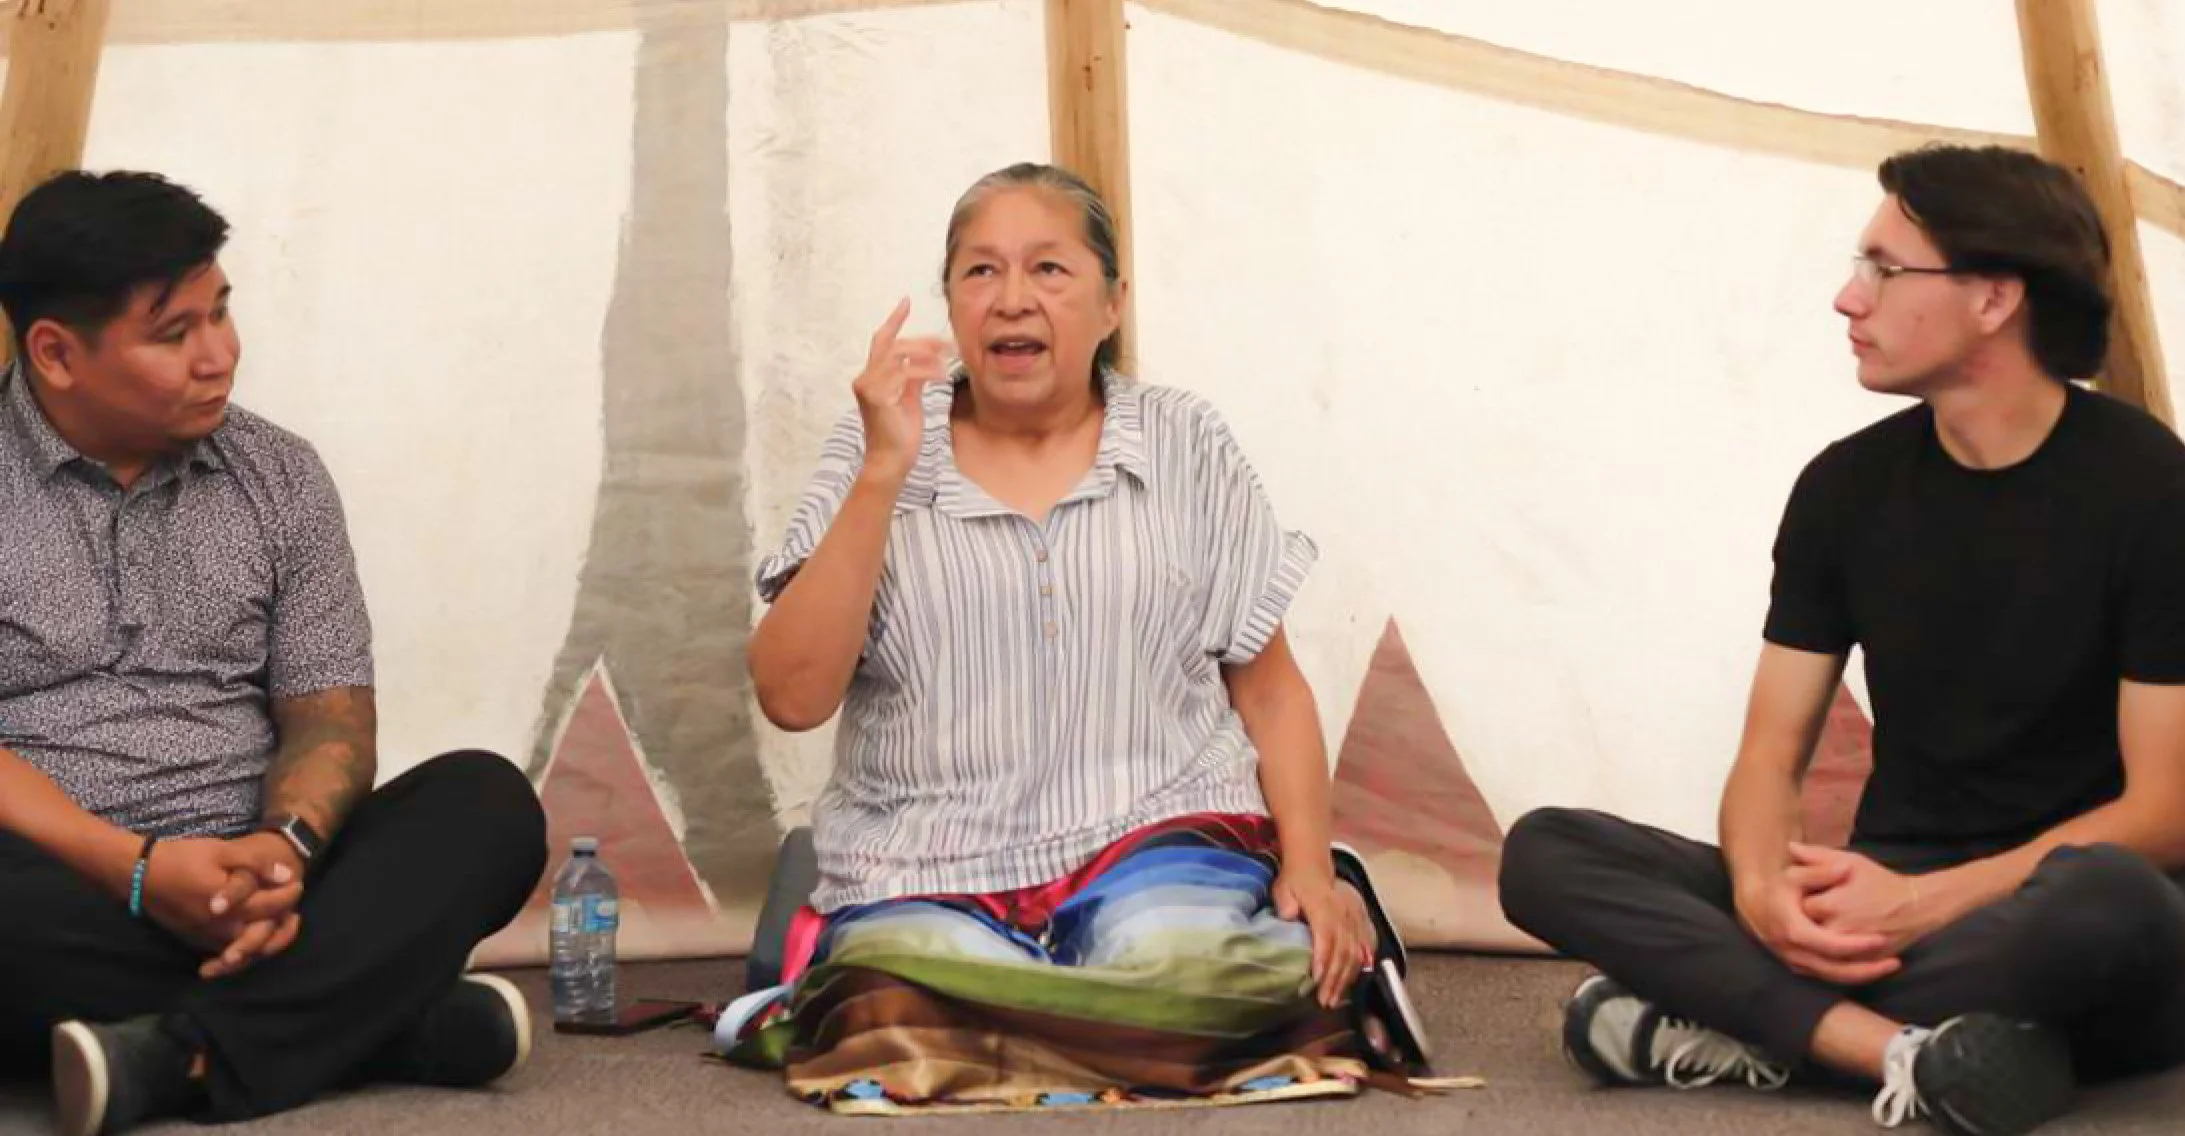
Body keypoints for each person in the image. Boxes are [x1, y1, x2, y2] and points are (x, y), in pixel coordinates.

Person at [1498, 143, 2185, 1136]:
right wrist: (1760, 890)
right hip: (1874, 890)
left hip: (2047, 909)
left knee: (2115, 903)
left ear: (1993, 297)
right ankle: (1894, 1050)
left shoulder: (2150, 489)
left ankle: (1741, 1017)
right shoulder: (1843, 488)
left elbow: (2163, 812)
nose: (1845, 298)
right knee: (1546, 849)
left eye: (1883, 269)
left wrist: (1924, 905)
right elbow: (1766, 759)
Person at [729, 162, 1424, 1112]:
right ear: (951, 302)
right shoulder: (877, 442)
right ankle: (1125, 1024)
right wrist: (884, 471)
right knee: (888, 1006)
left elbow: (1267, 689)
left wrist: (1308, 867)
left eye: (1048, 269)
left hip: (1151, 838)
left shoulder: (1182, 439)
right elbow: (791, 696)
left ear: (1111, 305)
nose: (1012, 298)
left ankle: (972, 1024)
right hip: (926, 857)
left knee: (1197, 978)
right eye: (980, 271)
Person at [0, 170, 549, 1136]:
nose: (219, 355)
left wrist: (281, 851)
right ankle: (381, 1020)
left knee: (486, 803)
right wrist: (140, 871)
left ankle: (180, 1055)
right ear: (56, 353)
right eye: (175, 333)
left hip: (263, 873)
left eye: (221, 312)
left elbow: (331, 714)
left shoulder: (278, 475)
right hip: (63, 873)